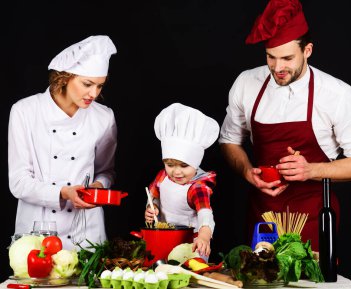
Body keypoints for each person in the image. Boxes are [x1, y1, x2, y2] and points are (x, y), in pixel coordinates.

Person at [218, 0, 351, 250]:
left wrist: (311, 170)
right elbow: (229, 141)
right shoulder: (247, 83)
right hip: (263, 217)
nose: (278, 67)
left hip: (313, 217)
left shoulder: (337, 95)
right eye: (271, 57)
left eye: (287, 58)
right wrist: (247, 170)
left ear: (308, 51)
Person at [8, 35, 118, 250]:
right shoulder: (25, 111)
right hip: (37, 233)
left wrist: (98, 187)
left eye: (100, 86)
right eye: (87, 84)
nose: (94, 94)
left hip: (87, 235)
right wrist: (63, 193)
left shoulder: (104, 117)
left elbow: (107, 172)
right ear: (65, 77)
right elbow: (18, 182)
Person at [145, 103, 220, 257]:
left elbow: (205, 214)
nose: (176, 171)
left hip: (191, 244)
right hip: (164, 239)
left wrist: (204, 237)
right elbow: (153, 196)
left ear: (196, 163)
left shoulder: (197, 187)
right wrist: (152, 208)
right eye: (170, 165)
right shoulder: (162, 176)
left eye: (184, 166)